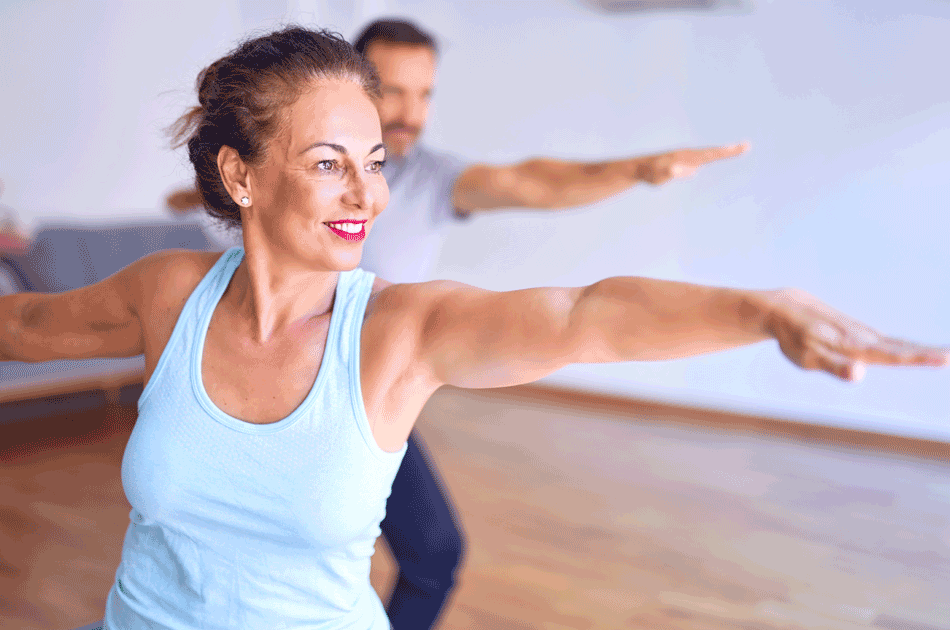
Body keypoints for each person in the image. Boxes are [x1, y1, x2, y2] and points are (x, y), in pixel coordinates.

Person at [8, 25, 945, 630]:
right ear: (242, 176)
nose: (367, 193)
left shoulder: (398, 332)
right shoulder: (169, 294)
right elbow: (25, 325)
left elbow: (585, 318)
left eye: (371, 162)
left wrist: (758, 309)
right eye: (329, 162)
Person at [165, 18, 752, 629]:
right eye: (391, 90)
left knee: (434, 554)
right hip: (265, 373)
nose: (409, 113)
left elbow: (535, 181)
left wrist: (636, 170)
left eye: (424, 94)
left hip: (359, 392)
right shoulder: (271, 184)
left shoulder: (433, 180)